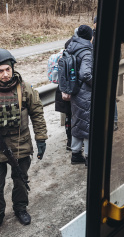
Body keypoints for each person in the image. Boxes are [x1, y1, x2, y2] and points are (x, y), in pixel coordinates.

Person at [0, 49, 47, 226]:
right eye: (0, 71)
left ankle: (20, 208)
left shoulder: (24, 88)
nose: (5, 74)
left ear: (13, 68)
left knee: (20, 179)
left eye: (7, 70)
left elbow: (37, 113)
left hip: (20, 143)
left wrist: (41, 137)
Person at [66, 25, 93, 166]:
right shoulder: (87, 51)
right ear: (90, 37)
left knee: (77, 123)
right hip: (86, 92)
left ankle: (76, 154)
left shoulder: (71, 47)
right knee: (88, 125)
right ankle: (89, 157)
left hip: (75, 91)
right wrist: (96, 85)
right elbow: (85, 74)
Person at [54, 39, 72, 151]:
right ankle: (72, 141)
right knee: (72, 118)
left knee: (68, 118)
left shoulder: (61, 59)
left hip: (60, 92)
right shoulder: (71, 60)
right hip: (69, 94)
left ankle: (69, 141)